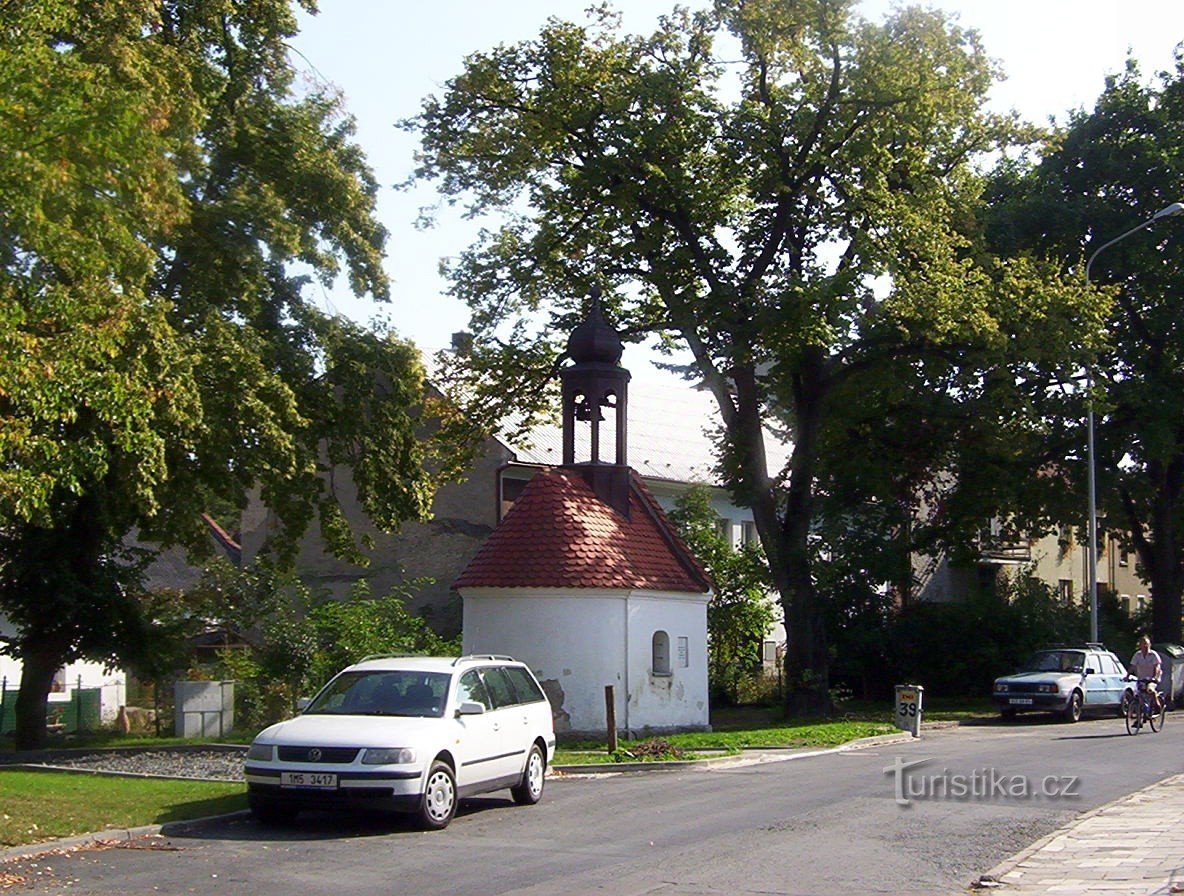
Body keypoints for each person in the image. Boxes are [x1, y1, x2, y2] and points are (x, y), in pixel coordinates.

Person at [1129, 635, 1163, 712]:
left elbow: (1157, 666)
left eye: (1146, 644)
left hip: (1152, 678)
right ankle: (1139, 718)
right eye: (1143, 644)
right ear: (1140, 645)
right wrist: (1127, 676)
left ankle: (1157, 705)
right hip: (1141, 678)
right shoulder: (1137, 655)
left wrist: (1154, 677)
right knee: (1139, 695)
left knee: (1150, 690)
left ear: (1149, 644)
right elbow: (1132, 666)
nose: (1145, 646)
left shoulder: (1153, 655)